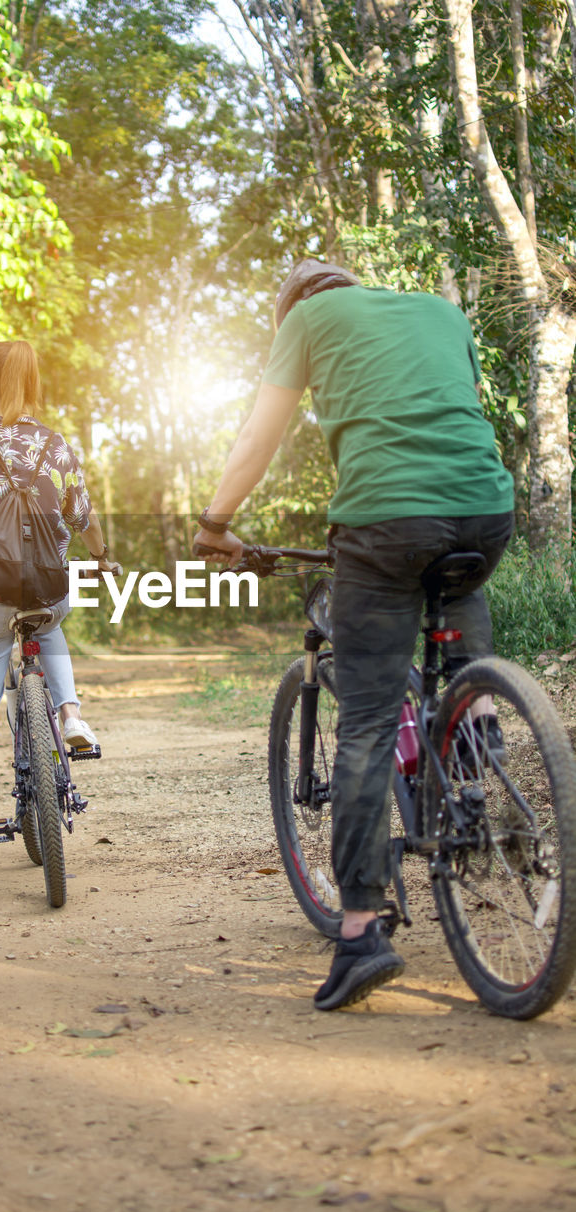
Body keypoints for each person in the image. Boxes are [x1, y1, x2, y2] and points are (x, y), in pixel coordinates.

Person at [194, 260, 515, 1010]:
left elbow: (259, 432)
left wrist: (214, 523)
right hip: (484, 511)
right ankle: (479, 719)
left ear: (292, 311)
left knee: (366, 723)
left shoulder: (304, 321)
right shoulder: (439, 310)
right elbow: (457, 412)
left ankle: (362, 931)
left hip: (384, 520)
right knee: (455, 592)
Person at [0, 339, 117, 898]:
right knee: (48, 618)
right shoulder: (55, 445)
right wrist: (104, 558)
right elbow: (82, 516)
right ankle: (69, 712)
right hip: (46, 591)